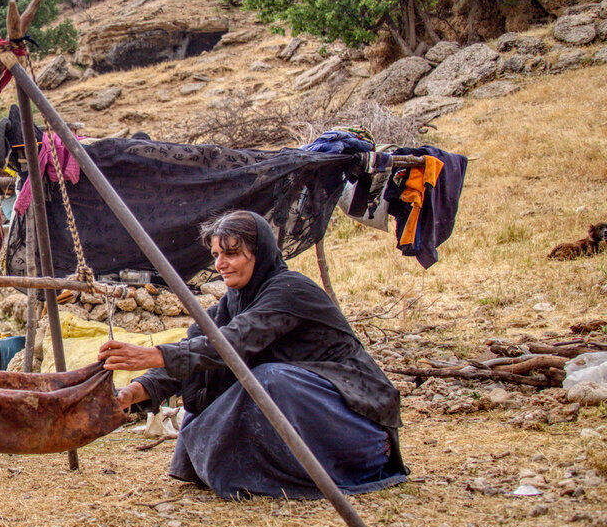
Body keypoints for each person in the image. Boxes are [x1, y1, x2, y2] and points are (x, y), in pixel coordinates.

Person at [98, 210, 407, 500]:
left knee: (268, 379)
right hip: (312, 423)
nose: (221, 264)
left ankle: (315, 471)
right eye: (217, 255)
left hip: (359, 430)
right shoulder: (233, 302)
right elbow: (199, 347)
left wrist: (154, 354)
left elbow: (232, 343)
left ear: (260, 254)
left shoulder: (290, 290)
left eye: (231, 253)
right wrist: (131, 393)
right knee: (209, 389)